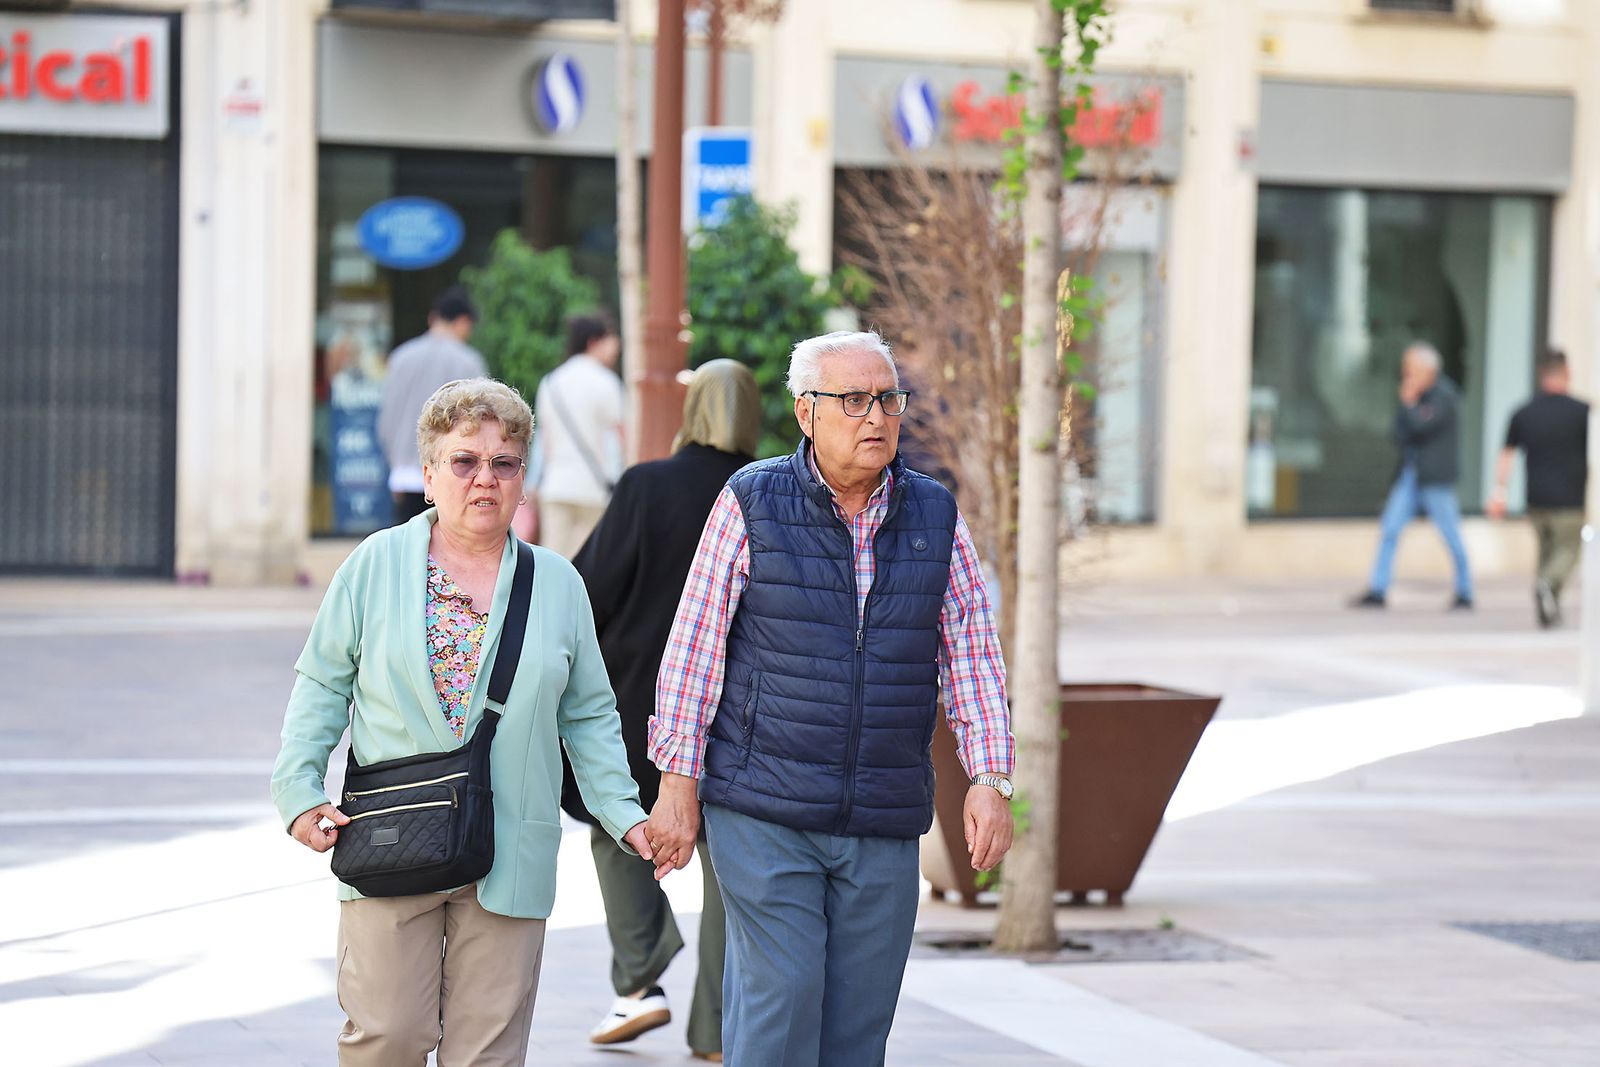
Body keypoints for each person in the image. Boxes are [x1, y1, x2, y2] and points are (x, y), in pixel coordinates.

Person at [644, 331, 1016, 1067]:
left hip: (880, 810)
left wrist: (990, 777)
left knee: (857, 1024)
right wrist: (676, 784)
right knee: (781, 997)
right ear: (804, 412)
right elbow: (695, 647)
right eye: (853, 400)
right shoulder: (750, 500)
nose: (875, 416)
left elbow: (973, 653)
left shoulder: (935, 516)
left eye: (887, 398)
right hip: (763, 804)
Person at [271, 378, 661, 1066]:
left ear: (523, 477)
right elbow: (323, 684)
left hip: (511, 847)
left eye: (504, 463)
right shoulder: (372, 566)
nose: (485, 478)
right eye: (464, 461)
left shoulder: (557, 583)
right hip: (391, 836)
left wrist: (624, 814)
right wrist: (299, 792)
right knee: (385, 1035)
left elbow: (592, 716)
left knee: (488, 1051)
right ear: (428, 474)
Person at [559, 360, 762, 1063]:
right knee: (729, 868)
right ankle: (714, 1030)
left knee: (614, 821)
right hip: (746, 712)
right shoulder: (768, 490)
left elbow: (587, 590)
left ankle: (640, 974)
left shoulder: (647, 486)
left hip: (642, 697)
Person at [1352, 341, 1474, 611]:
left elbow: (1421, 426)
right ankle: (1378, 589)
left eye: (1410, 368)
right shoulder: (1416, 397)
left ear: (1426, 370)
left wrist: (1408, 403)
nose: (1406, 374)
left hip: (1435, 479)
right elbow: (1398, 432)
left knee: (1451, 534)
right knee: (1390, 528)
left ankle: (1465, 591)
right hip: (1410, 474)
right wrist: (1408, 405)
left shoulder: (1444, 396)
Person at [1488, 349, 1590, 627]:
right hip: (1569, 498)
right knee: (1568, 550)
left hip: (1536, 497)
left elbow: (1506, 454)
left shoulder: (1523, 412)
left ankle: (1549, 607)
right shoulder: (1583, 412)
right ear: (1566, 373)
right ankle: (1548, 586)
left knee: (1546, 552)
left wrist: (1499, 492)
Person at [377, 288, 487, 523]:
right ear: (463, 322)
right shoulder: (468, 362)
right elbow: (480, 421)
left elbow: (387, 419)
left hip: (405, 472)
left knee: (408, 547)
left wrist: (395, 461)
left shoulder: (400, 357)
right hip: (451, 473)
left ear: (432, 318)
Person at [531, 314, 625, 557]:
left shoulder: (551, 381)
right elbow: (620, 437)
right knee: (590, 563)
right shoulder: (606, 382)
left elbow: (545, 440)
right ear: (594, 341)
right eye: (611, 338)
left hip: (555, 486)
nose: (616, 346)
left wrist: (534, 482)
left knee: (552, 560)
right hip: (593, 489)